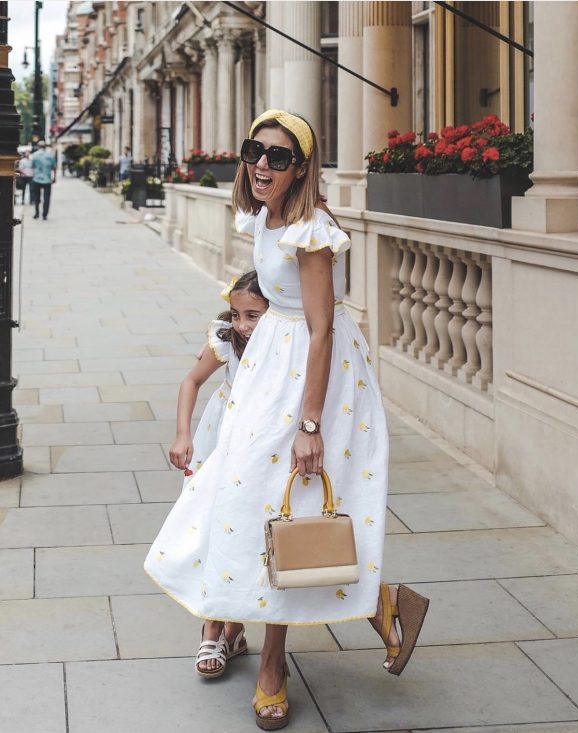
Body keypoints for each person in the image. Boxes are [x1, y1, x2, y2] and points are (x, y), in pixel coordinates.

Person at [145, 110, 429, 730]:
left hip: (310, 382)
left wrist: (309, 424)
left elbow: (323, 328)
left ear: (302, 167)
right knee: (241, 502)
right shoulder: (265, 218)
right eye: (255, 152)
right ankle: (379, 607)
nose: (262, 165)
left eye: (279, 157)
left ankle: (275, 663)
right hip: (269, 372)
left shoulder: (311, 230)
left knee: (284, 512)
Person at [169, 270, 269, 486]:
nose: (242, 325)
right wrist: (182, 434)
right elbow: (191, 381)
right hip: (227, 427)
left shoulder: (287, 345)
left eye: (252, 316)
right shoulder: (228, 341)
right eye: (235, 315)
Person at [30, 140, 56, 220]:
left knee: (37, 197)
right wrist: (54, 178)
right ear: (45, 147)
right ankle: (44, 215)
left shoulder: (34, 155)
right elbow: (54, 168)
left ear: (38, 146)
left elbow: (32, 167)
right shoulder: (50, 155)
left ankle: (37, 213)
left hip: (36, 179)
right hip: (47, 179)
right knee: (47, 198)